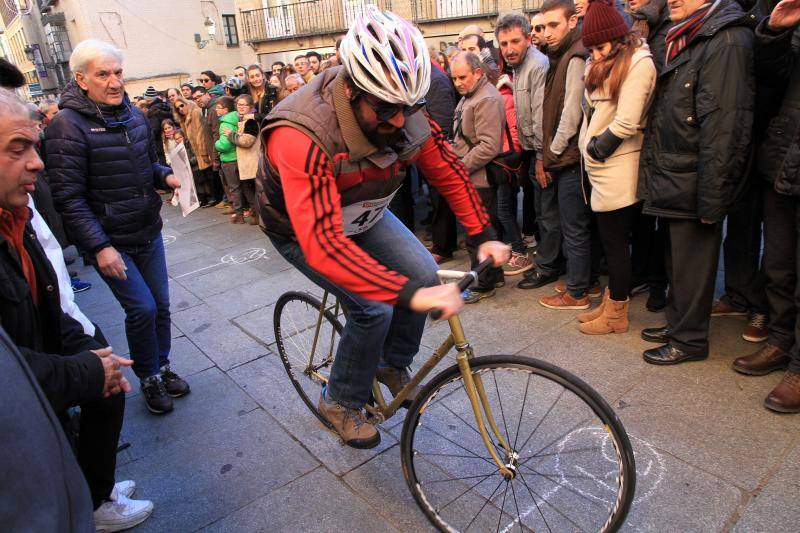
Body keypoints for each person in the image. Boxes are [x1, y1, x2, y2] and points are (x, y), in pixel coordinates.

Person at [257, 6, 509, 448]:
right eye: (386, 109)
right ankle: (339, 400)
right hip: (302, 227)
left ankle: (392, 363)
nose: (398, 121)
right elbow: (322, 244)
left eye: (408, 108)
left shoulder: (402, 109)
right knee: (374, 308)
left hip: (361, 208)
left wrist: (483, 235)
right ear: (352, 89)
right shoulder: (300, 132)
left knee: (424, 273)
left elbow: (447, 169)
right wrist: (411, 295)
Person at [0, 87, 153, 531]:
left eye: (35, 144)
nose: (36, 162)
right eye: (18, 148)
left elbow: (42, 293)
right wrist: (86, 370)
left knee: (108, 376)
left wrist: (87, 350)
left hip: (56, 333)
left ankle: (94, 492)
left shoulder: (16, 213)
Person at [46, 39, 191, 414]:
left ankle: (162, 366)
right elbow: (69, 198)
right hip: (111, 241)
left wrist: (165, 177)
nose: (114, 82)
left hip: (147, 230)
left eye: (118, 73)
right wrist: (99, 247)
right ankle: (148, 378)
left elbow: (148, 165)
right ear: (81, 79)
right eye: (103, 74)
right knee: (142, 309)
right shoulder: (67, 125)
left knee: (160, 306)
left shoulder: (135, 115)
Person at [638, 0, 755, 365]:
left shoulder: (727, 39)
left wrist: (713, 196)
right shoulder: (688, 34)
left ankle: (689, 340)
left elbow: (726, 127)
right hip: (678, 171)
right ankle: (678, 323)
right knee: (678, 259)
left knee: (693, 262)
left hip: (697, 175)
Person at [733, 0, 800, 412]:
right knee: (778, 265)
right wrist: (776, 31)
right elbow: (772, 76)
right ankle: (779, 340)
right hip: (783, 156)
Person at [576, 0, 657, 334]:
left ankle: (616, 314)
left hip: (618, 164)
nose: (595, 54)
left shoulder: (639, 63)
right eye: (591, 48)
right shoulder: (609, 61)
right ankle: (611, 303)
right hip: (603, 166)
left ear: (618, 38)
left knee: (615, 243)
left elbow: (626, 121)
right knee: (612, 240)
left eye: (599, 46)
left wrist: (596, 149)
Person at [525, 0, 594, 312]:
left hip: (569, 157)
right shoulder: (561, 54)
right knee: (573, 224)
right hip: (563, 155)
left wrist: (551, 151)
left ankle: (578, 292)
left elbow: (572, 111)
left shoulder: (575, 53)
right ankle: (582, 280)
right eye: (543, 26)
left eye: (554, 25)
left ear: (572, 22)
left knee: (574, 226)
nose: (548, 33)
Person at [495, 12, 552, 288]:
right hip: (530, 151)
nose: (509, 49)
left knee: (547, 213)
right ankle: (547, 262)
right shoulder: (517, 68)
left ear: (528, 39)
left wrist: (541, 157)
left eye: (514, 41)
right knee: (541, 211)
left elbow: (540, 116)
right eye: (503, 44)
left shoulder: (537, 65)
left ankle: (549, 267)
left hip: (541, 152)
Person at [452, 52, 507, 303]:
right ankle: (492, 276)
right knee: (482, 232)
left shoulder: (486, 98)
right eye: (454, 78)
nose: (458, 83)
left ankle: (483, 284)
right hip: (472, 176)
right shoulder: (472, 96)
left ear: (477, 72)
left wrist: (459, 169)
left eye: (462, 77)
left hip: (479, 178)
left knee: (478, 236)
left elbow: (488, 146)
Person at [173, 96, 215, 206]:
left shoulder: (195, 112)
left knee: (209, 175)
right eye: (177, 108)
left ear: (186, 103)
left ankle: (214, 197)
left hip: (202, 149)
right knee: (202, 176)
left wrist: (203, 152)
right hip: (193, 151)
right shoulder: (183, 119)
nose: (180, 109)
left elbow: (201, 134)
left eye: (182, 105)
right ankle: (208, 197)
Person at [227, 94, 260, 225]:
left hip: (252, 162)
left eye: (244, 105)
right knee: (249, 190)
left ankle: (260, 216)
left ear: (250, 107)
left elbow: (247, 141)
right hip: (246, 163)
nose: (241, 107)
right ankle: (257, 215)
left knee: (254, 192)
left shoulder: (251, 121)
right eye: (239, 104)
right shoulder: (242, 120)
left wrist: (231, 134)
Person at [192, 85, 227, 207]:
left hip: (220, 149)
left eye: (199, 96)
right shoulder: (206, 109)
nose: (197, 100)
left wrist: (214, 153)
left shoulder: (214, 108)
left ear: (207, 94)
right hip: (214, 149)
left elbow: (217, 133)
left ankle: (231, 202)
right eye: (195, 98)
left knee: (226, 179)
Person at [214, 96, 247, 224]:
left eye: (218, 108)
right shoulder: (237, 119)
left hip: (229, 160)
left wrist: (216, 144)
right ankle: (255, 212)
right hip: (239, 158)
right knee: (246, 187)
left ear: (226, 109)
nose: (216, 110)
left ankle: (239, 214)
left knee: (234, 188)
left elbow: (225, 145)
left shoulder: (225, 124)